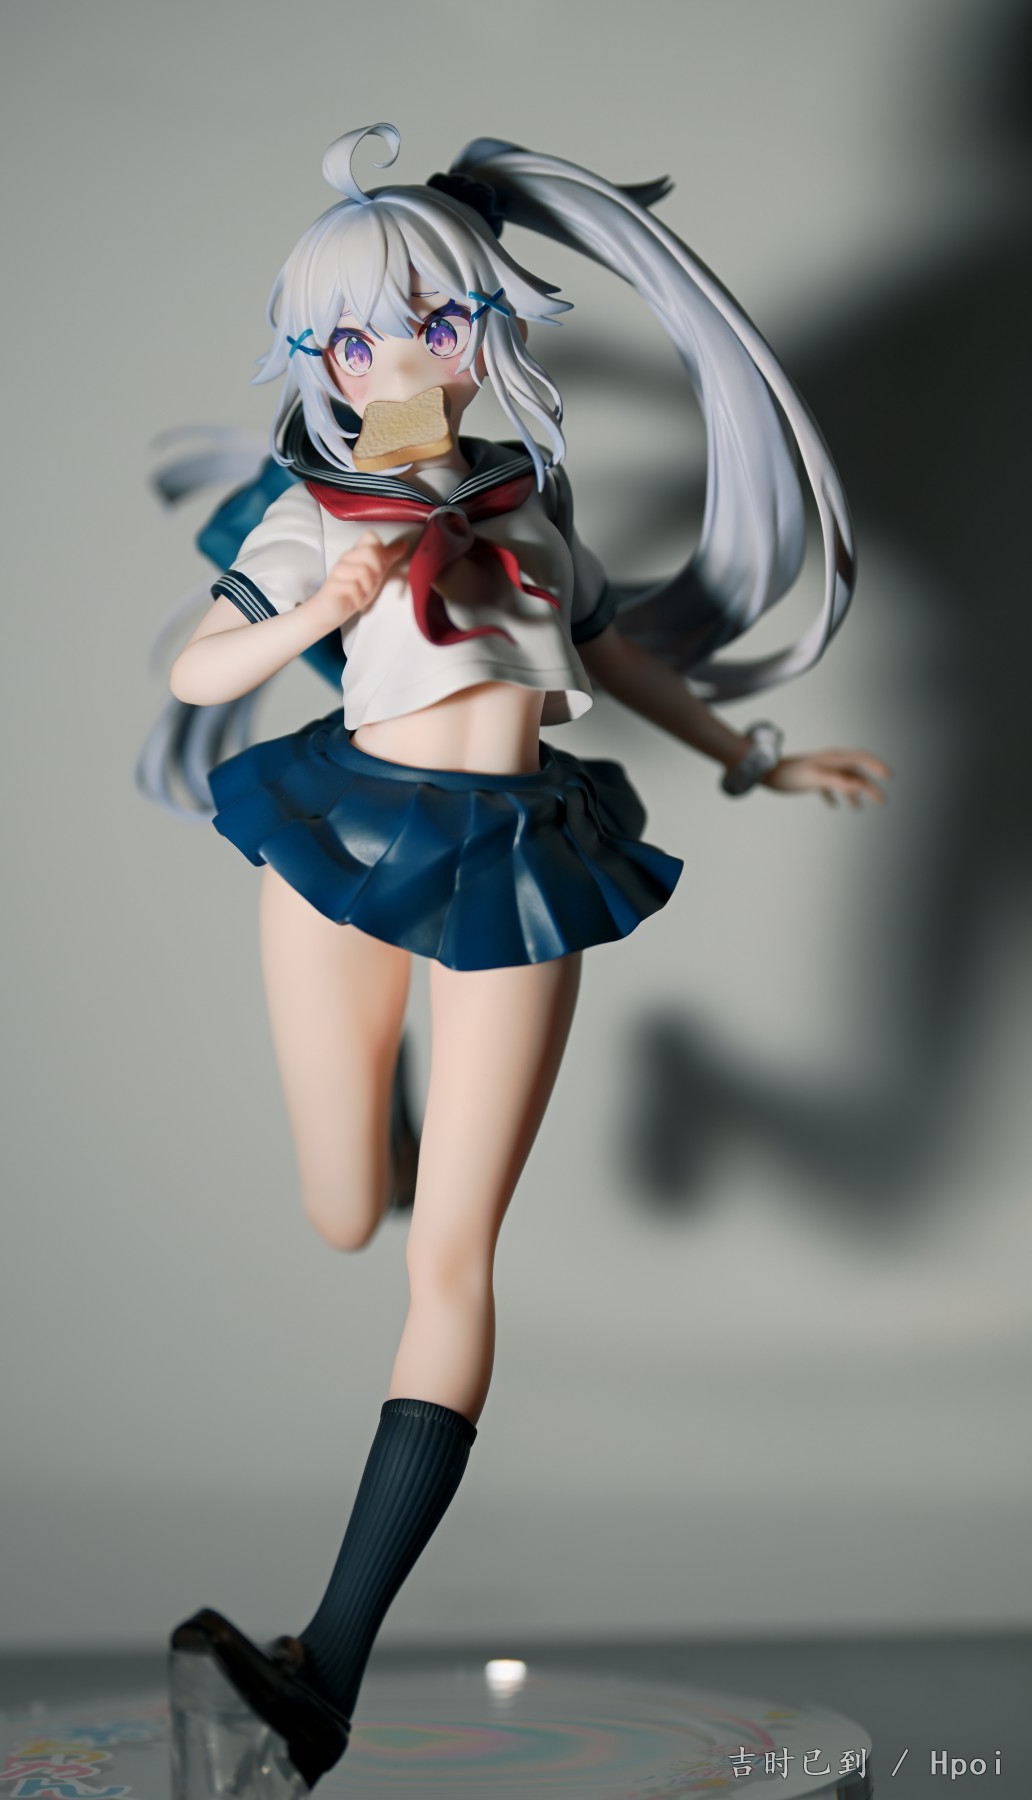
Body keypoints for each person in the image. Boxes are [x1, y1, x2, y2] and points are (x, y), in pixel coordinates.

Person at [151, 123, 891, 1792]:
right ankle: (407, 1119)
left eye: (430, 321)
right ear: (319, 360)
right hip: (347, 845)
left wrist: (757, 757)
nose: (398, 361)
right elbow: (204, 672)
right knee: (344, 1205)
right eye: (354, 339)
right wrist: (315, 606)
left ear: (485, 322)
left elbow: (615, 659)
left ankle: (322, 1671)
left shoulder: (533, 504)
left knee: (452, 1263)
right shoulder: (315, 511)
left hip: (511, 866)